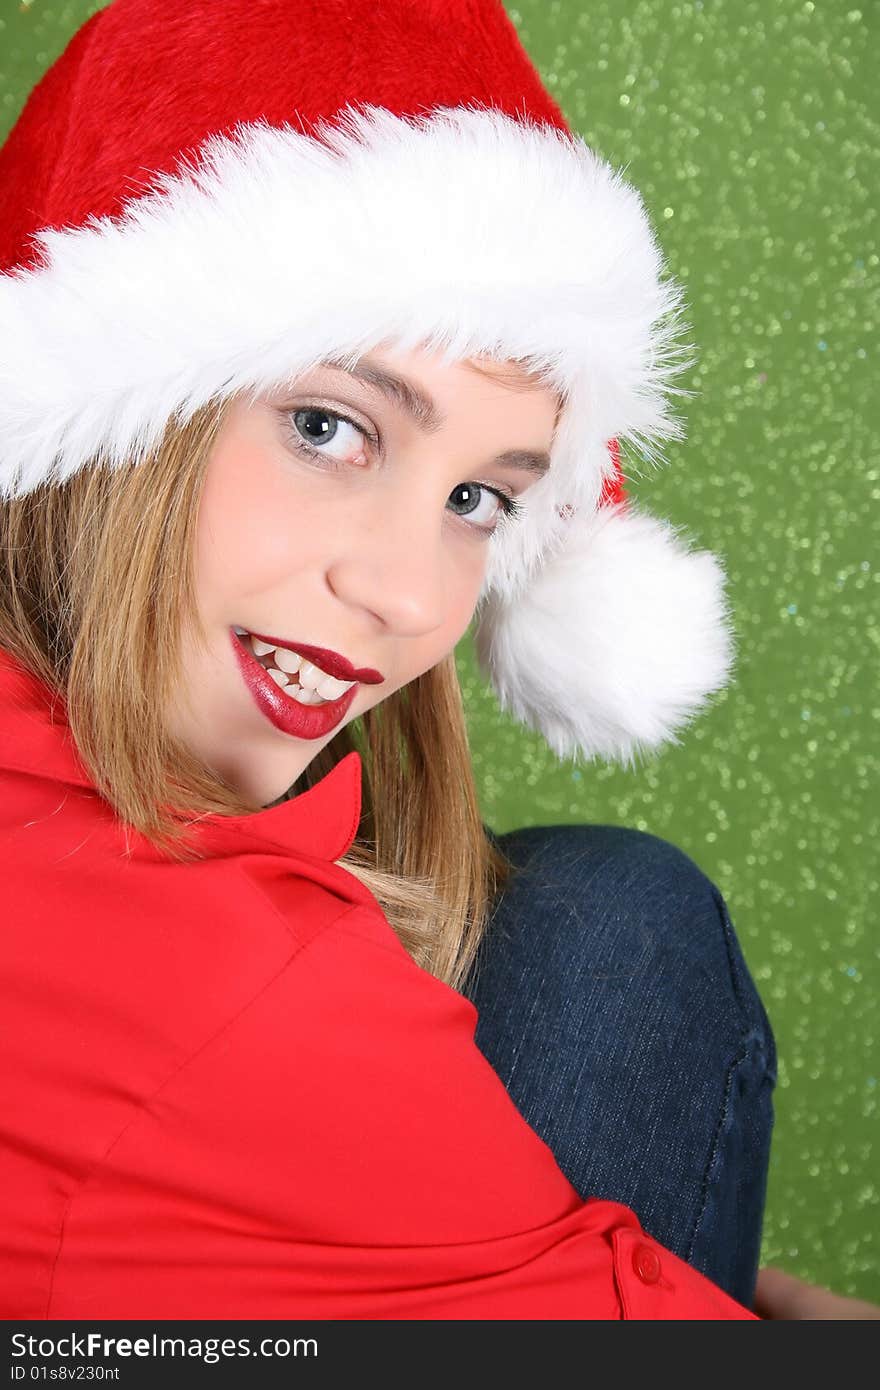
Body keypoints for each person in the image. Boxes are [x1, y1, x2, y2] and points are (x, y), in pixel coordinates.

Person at [0, 0, 793, 1320]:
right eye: (329, 424)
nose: (406, 595)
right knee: (617, 914)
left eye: (480, 498)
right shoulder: (236, 983)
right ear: (111, 415)